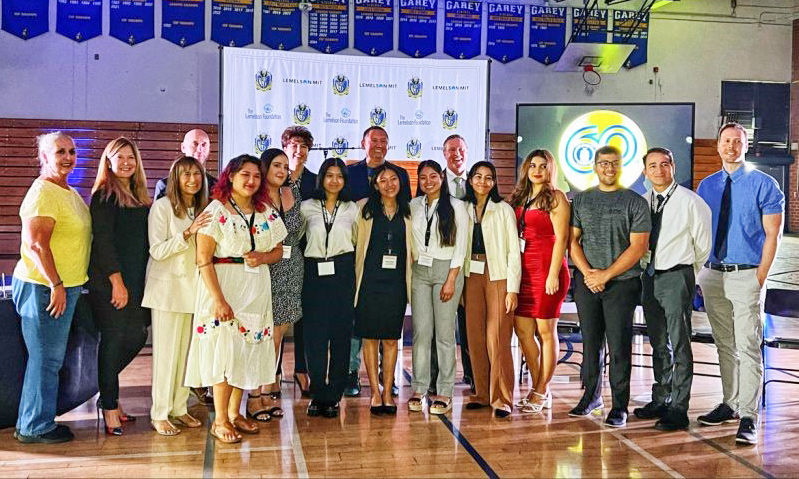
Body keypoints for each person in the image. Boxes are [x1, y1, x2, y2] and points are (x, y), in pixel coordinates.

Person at [184, 154, 287, 443]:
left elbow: (279, 251)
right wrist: (218, 300)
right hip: (222, 288)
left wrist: (263, 257)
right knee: (224, 353)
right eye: (245, 174)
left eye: (256, 175)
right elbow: (203, 260)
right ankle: (219, 420)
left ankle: (234, 413)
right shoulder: (215, 211)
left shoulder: (266, 211)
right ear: (231, 176)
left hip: (255, 291)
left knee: (244, 352)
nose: (251, 180)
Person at [696, 123, 784, 445]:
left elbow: (772, 236)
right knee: (724, 345)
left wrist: (759, 276)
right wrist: (700, 273)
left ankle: (749, 415)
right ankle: (730, 403)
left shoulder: (765, 184)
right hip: (712, 274)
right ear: (718, 146)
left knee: (747, 346)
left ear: (746, 146)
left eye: (737, 141)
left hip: (746, 274)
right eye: (726, 141)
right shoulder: (706, 186)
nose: (731, 146)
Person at [11, 132, 91, 444]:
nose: (68, 157)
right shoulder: (43, 192)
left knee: (50, 359)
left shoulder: (67, 191)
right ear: (45, 157)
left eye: (72, 151)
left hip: (65, 287)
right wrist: (55, 284)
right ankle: (33, 426)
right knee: (45, 359)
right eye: (60, 152)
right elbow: (36, 244)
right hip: (44, 288)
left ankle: (38, 420)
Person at [568, 145, 651, 428]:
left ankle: (619, 406)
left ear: (621, 166)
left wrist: (606, 275)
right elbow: (573, 241)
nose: (609, 168)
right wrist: (589, 273)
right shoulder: (582, 201)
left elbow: (638, 247)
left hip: (622, 285)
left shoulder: (635, 202)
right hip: (587, 283)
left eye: (614, 163)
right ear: (594, 166)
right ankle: (590, 397)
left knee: (618, 347)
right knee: (591, 344)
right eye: (604, 163)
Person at [633, 147, 712, 431]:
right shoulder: (642, 202)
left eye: (664, 164)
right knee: (658, 342)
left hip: (677, 275)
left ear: (673, 167)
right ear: (645, 171)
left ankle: (679, 407)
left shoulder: (691, 202)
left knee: (679, 343)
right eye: (652, 165)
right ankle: (661, 397)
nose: (658, 170)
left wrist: (688, 274)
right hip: (650, 277)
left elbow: (703, 246)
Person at [87, 137, 152, 436]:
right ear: (108, 162)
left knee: (137, 336)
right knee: (113, 340)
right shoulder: (104, 195)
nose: (126, 162)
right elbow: (103, 243)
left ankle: (106, 389)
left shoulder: (140, 196)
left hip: (137, 280)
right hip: (112, 281)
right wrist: (116, 282)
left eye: (131, 157)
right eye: (119, 157)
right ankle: (110, 405)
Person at [142, 156, 211, 436]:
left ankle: (179, 408)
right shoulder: (162, 207)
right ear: (175, 178)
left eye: (197, 174)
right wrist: (188, 233)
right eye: (186, 175)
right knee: (166, 355)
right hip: (168, 292)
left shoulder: (203, 208)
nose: (192, 179)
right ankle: (159, 412)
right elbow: (157, 250)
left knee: (186, 356)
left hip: (195, 292)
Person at [345, 126, 411, 397]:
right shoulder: (352, 174)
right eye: (374, 140)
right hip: (366, 271)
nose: (379, 145)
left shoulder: (402, 175)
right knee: (361, 329)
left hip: (395, 277)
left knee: (390, 335)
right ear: (363, 143)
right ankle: (353, 374)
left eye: (384, 140)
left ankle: (388, 379)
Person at [508, 149, 571, 414]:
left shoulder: (557, 198)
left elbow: (562, 239)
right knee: (523, 332)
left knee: (546, 333)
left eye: (542, 166)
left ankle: (542, 389)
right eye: (532, 165)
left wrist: (553, 275)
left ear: (550, 170)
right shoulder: (519, 197)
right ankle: (538, 386)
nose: (536, 170)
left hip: (547, 271)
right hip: (523, 272)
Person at [462, 161, 521, 418]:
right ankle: (483, 393)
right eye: (478, 177)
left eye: (488, 178)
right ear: (470, 179)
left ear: (495, 182)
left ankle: (502, 398)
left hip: (498, 275)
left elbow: (513, 251)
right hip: (470, 274)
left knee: (497, 336)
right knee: (474, 336)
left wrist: (512, 288)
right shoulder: (461, 208)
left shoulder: (503, 209)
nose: (483, 182)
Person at [408, 160, 468, 414]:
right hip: (420, 271)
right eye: (423, 177)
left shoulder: (457, 206)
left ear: (442, 178)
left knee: (444, 335)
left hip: (447, 270)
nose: (428, 181)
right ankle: (419, 388)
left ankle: (444, 390)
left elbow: (461, 246)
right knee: (421, 333)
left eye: (433, 176)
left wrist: (452, 278)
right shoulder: (413, 205)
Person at [301, 157, 359, 418]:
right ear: (321, 178)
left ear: (345, 180)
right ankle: (317, 394)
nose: (334, 180)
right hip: (314, 273)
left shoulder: (352, 209)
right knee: (314, 338)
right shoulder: (306, 207)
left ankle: (334, 396)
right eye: (329, 175)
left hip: (343, 272)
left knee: (340, 338)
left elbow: (358, 240)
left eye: (340, 176)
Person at [353, 163, 413, 415]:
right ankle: (375, 392)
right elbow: (354, 241)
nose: (389, 184)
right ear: (375, 185)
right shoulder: (363, 209)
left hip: (396, 284)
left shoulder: (409, 212)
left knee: (390, 339)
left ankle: (388, 392)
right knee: (369, 339)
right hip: (369, 283)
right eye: (383, 180)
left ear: (400, 183)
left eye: (394, 179)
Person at [251, 148, 302, 418]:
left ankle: (269, 387)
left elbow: (298, 230)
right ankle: (254, 394)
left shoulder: (291, 192)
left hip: (291, 267)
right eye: (276, 166)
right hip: (263, 267)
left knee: (279, 333)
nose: (282, 171)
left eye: (285, 167)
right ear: (265, 168)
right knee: (262, 332)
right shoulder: (254, 196)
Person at [282, 126, 315, 396]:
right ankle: (272, 372)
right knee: (277, 315)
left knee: (304, 314)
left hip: (308, 255)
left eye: (303, 146)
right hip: (277, 255)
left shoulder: (316, 181)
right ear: (285, 147)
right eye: (294, 145)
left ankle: (302, 369)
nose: (298, 150)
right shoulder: (274, 179)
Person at [442, 134, 473, 391]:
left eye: (460, 149)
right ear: (444, 154)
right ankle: (437, 377)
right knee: (440, 325)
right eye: (451, 150)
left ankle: (472, 373)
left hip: (473, 262)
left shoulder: (476, 181)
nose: (457, 154)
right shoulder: (434, 182)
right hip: (443, 261)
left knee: (469, 321)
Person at [154, 129, 217, 200]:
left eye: (204, 145)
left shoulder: (216, 186)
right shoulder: (165, 185)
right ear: (183, 147)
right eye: (195, 144)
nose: (200, 149)